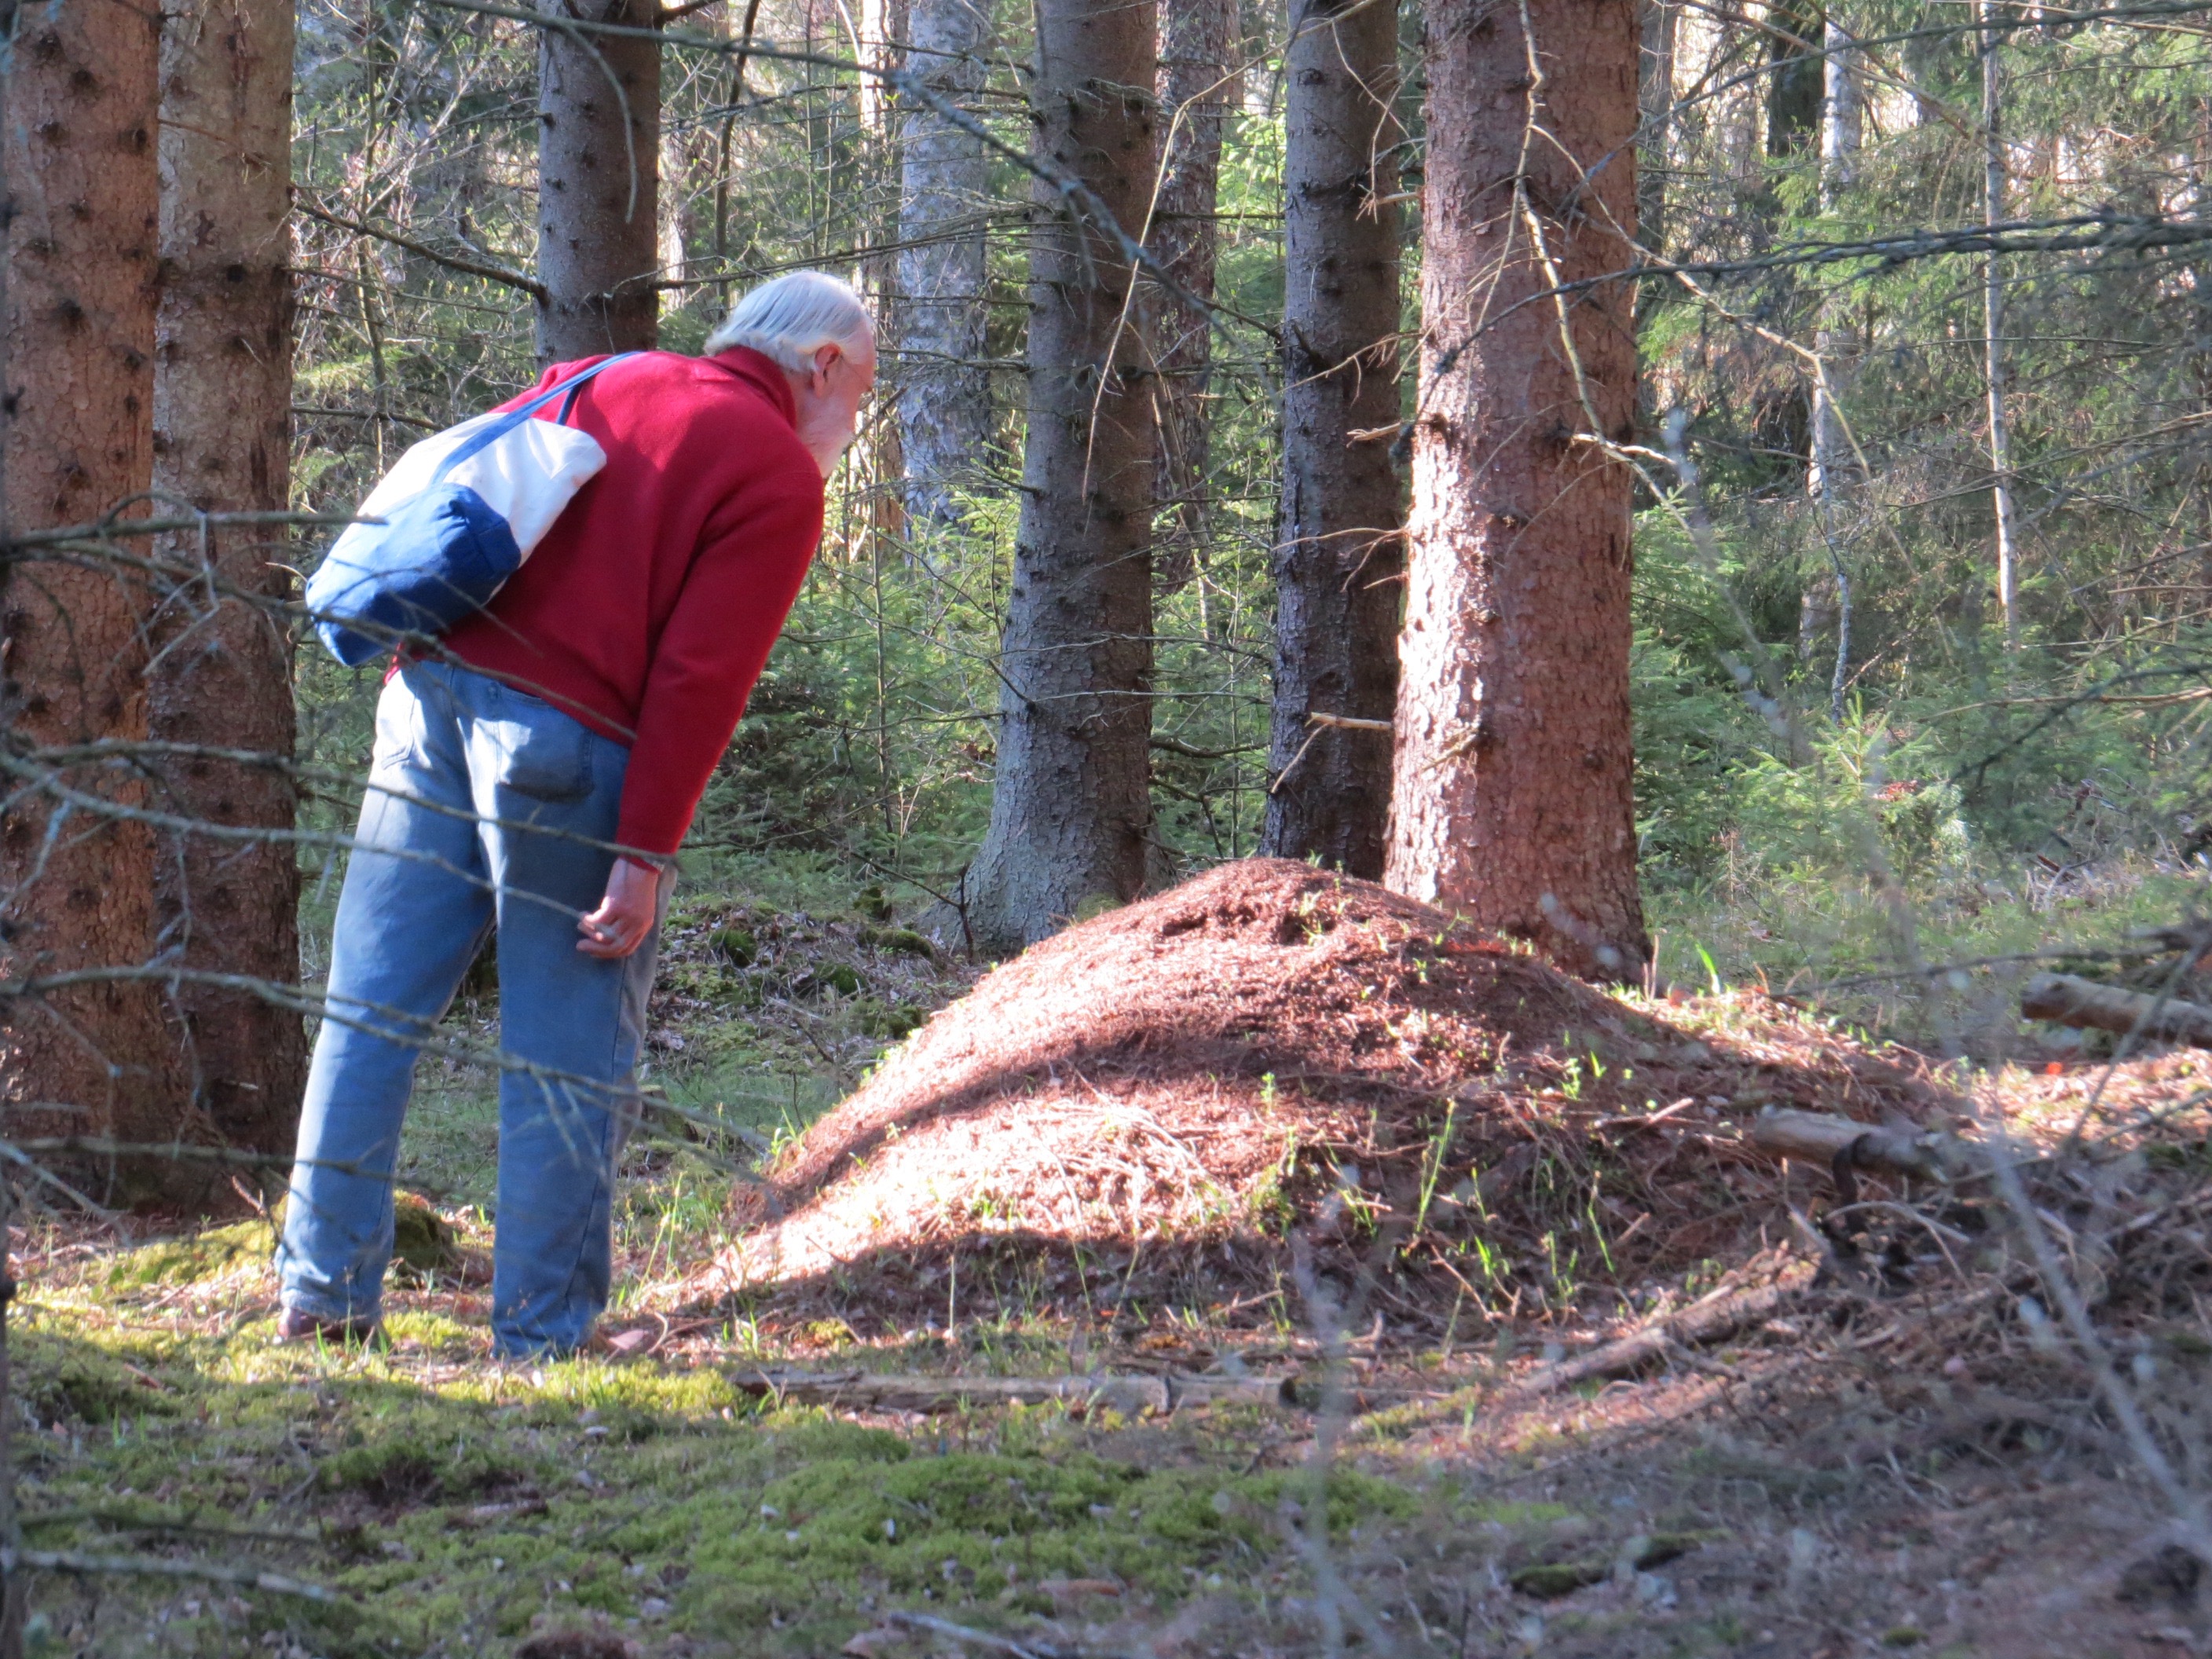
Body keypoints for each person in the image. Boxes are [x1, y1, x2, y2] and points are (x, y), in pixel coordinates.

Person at [276, 272, 876, 1357]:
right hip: (562, 751)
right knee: (565, 1051)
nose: (857, 419)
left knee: (368, 1012)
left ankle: (323, 1297)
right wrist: (643, 854)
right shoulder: (774, 470)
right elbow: (700, 680)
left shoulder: (604, 375)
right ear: (822, 364)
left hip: (424, 698)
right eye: (863, 392)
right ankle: (543, 1334)